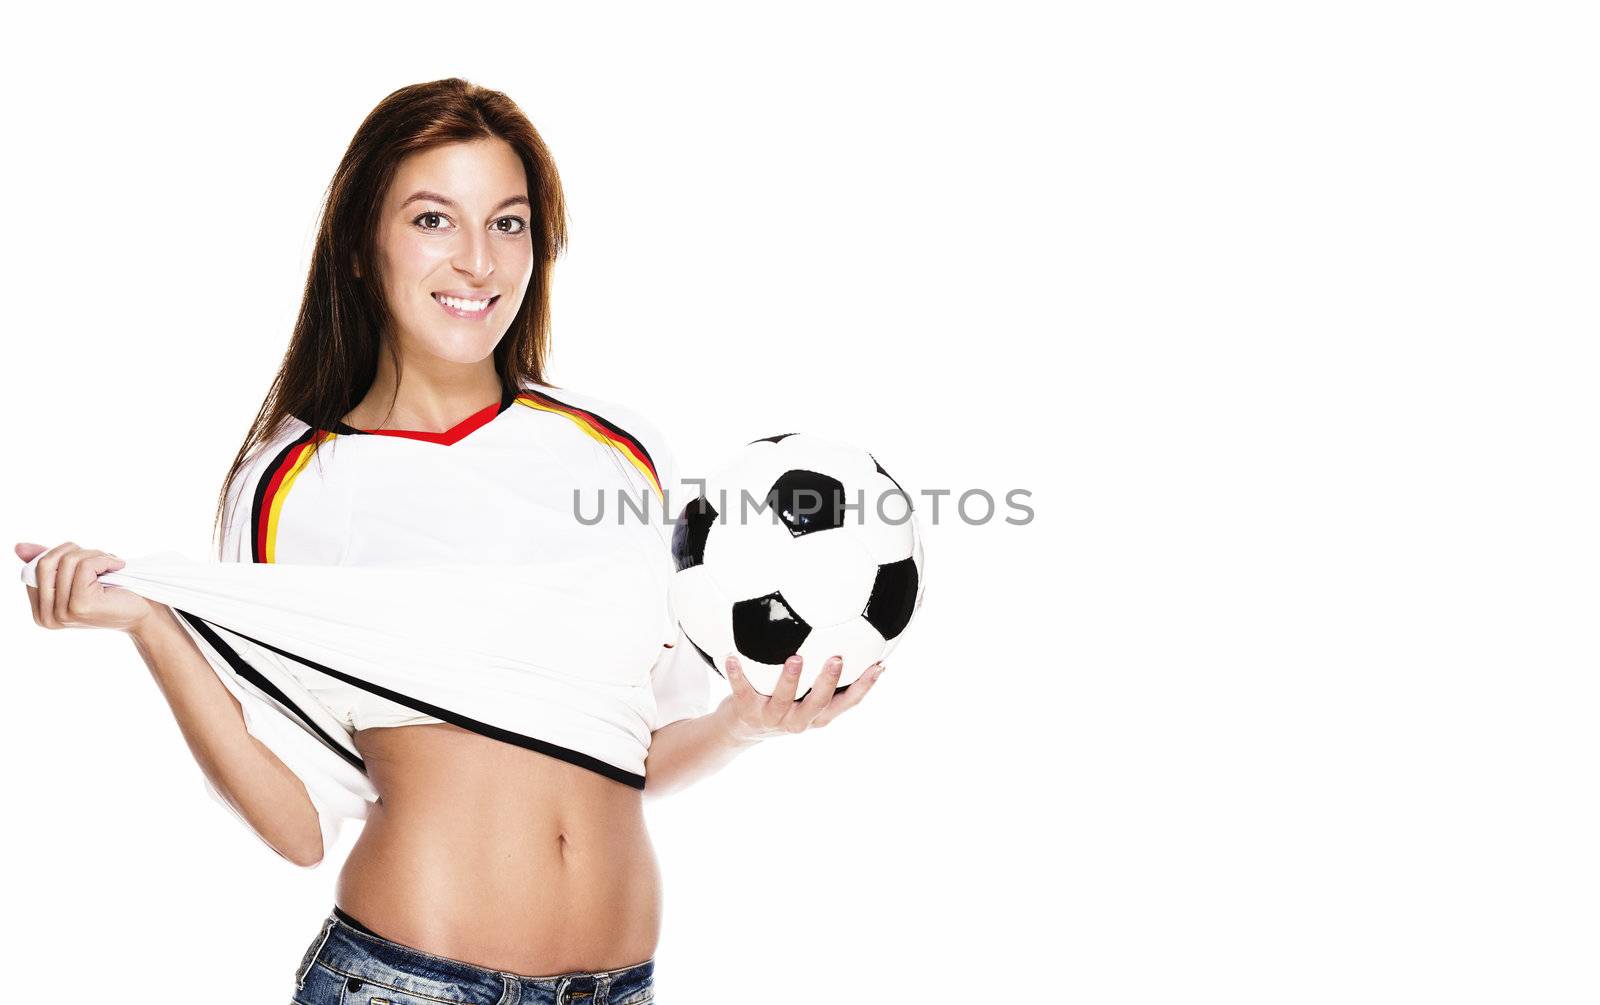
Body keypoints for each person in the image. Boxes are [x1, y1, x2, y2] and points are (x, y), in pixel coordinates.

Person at [14, 77, 887, 1004]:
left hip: (620, 983)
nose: (477, 262)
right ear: (360, 246)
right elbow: (298, 826)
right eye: (435, 219)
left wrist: (740, 725)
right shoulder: (295, 483)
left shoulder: (621, 449)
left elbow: (629, 753)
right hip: (405, 983)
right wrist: (153, 626)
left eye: (507, 224)